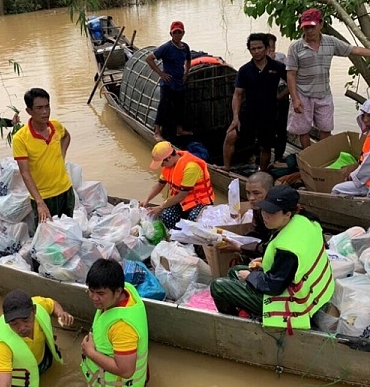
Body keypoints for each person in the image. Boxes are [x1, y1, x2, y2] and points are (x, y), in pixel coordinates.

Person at [209, 186, 334, 333]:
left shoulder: (288, 249)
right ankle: (250, 312)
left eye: (271, 212)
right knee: (235, 271)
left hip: (297, 304)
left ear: (287, 214)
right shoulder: (305, 220)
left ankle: (236, 328)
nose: (265, 216)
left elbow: (273, 286)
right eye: (264, 210)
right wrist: (259, 259)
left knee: (218, 286)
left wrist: (251, 276)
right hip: (315, 291)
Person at [286, 8, 370, 149]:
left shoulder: (331, 42)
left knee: (326, 128)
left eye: (312, 27)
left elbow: (354, 50)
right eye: (306, 27)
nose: (309, 31)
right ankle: (307, 157)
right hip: (302, 94)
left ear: (321, 24)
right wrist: (295, 99)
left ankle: (323, 156)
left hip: (323, 93)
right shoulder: (295, 47)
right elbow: (290, 74)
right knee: (303, 130)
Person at [81, 259, 149, 387]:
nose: (93, 297)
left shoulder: (122, 328)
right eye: (91, 291)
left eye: (100, 293)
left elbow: (126, 371)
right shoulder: (128, 290)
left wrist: (90, 352)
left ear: (117, 291)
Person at [223, 33, 287, 171]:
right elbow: (237, 94)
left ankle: (262, 173)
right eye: (253, 49)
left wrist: (280, 97)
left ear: (266, 48)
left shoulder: (277, 67)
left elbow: (292, 82)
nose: (257, 51)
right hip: (249, 112)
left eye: (259, 48)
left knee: (266, 146)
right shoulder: (245, 70)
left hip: (269, 113)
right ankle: (226, 168)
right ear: (250, 50)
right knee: (230, 136)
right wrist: (235, 117)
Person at [12, 88, 74, 223]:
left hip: (65, 190)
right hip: (44, 196)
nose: (45, 112)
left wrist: (61, 155)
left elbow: (66, 136)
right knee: (47, 238)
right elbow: (25, 173)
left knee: (68, 232)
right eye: (39, 108)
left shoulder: (56, 126)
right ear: (29, 111)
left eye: (47, 106)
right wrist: (40, 203)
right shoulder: (20, 138)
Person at [140, 140, 215, 231]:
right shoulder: (169, 166)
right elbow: (160, 184)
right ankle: (178, 237)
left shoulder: (191, 167)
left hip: (199, 202)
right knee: (167, 215)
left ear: (169, 158)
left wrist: (160, 207)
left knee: (193, 218)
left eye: (162, 163)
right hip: (182, 202)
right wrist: (147, 199)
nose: (162, 166)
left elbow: (181, 195)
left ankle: (191, 242)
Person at [145, 20, 193, 141]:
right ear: (171, 34)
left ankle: (179, 130)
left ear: (183, 33)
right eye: (175, 32)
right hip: (167, 83)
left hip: (179, 83)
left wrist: (186, 73)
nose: (177, 35)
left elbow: (188, 60)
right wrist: (161, 73)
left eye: (179, 32)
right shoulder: (167, 47)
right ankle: (157, 131)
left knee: (179, 106)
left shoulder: (185, 47)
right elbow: (149, 59)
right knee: (163, 107)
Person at [217, 171, 273, 258]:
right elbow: (256, 232)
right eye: (248, 193)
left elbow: (271, 246)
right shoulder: (258, 208)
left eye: (256, 193)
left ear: (270, 192)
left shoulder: (277, 213)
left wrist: (241, 247)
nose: (251, 198)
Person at [266, 33, 290, 165]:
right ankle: (264, 155)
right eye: (269, 46)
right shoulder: (259, 61)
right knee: (266, 125)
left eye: (273, 46)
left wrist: (281, 95)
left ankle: (278, 157)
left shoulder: (281, 57)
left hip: (280, 90)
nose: (271, 49)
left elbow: (289, 78)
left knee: (281, 126)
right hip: (266, 92)